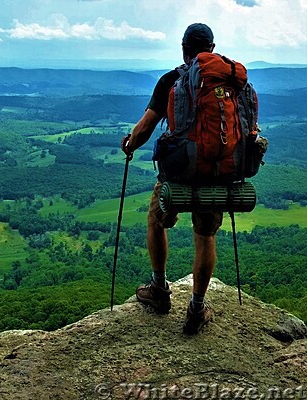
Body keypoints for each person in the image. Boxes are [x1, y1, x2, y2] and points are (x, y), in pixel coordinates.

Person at [121, 23, 221, 335]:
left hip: (177, 172)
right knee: (205, 236)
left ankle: (159, 290)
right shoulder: (227, 82)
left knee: (155, 220)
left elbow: (147, 126)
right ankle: (196, 307)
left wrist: (130, 144)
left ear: (183, 47)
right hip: (216, 171)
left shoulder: (171, 80)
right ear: (212, 49)